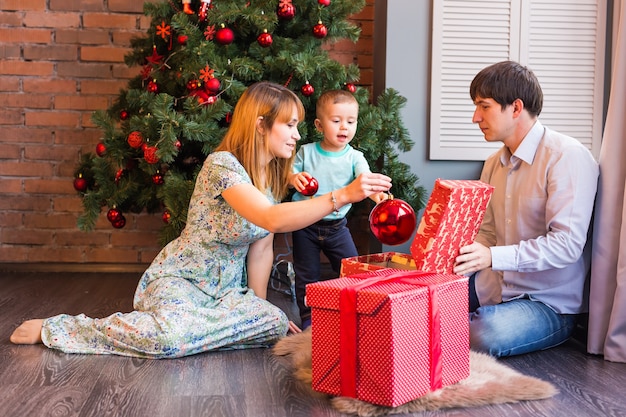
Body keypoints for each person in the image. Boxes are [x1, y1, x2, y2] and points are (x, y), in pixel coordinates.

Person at [9, 81, 392, 358]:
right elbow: (269, 218)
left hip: (229, 293)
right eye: (289, 125)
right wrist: (341, 195)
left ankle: (208, 327)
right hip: (184, 280)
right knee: (169, 339)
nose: (296, 134)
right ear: (261, 125)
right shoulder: (221, 166)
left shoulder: (273, 179)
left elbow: (260, 249)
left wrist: (255, 307)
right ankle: (62, 328)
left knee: (274, 323)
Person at [453, 61, 599, 357]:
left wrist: (491, 256)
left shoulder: (566, 157)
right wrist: (462, 256)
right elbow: (488, 231)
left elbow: (567, 246)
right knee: (419, 301)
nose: (475, 117)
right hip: (492, 286)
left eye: (484, 106)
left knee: (483, 334)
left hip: (547, 303)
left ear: (516, 108)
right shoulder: (493, 163)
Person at [289, 90, 385, 329]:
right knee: (306, 275)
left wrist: (378, 196)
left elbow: (365, 181)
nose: (344, 127)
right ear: (320, 125)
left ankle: (353, 314)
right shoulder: (306, 152)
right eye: (336, 121)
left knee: (350, 270)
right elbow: (288, 172)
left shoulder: (355, 157)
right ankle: (309, 320)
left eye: (351, 122)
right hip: (305, 225)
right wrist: (293, 178)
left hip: (337, 227)